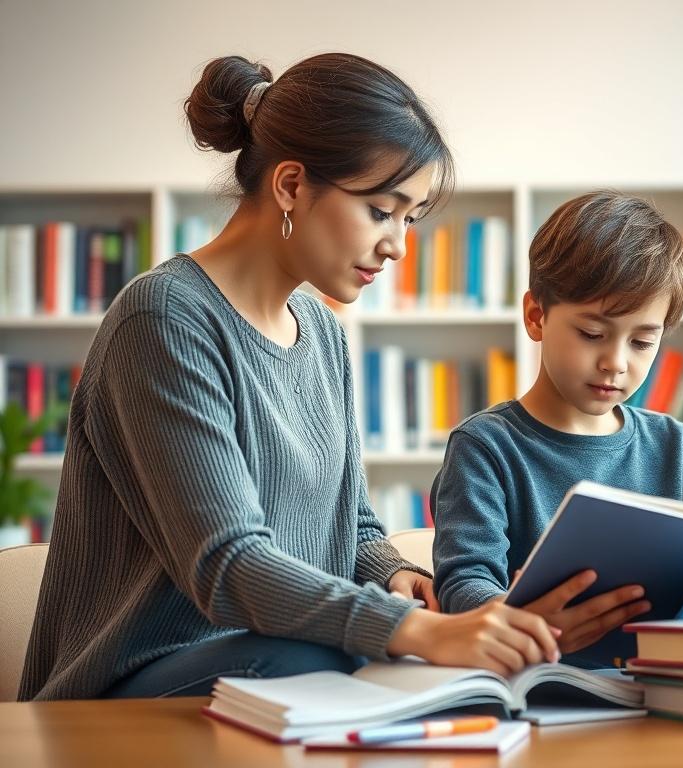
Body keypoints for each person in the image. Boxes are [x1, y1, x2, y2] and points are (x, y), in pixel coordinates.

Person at [19, 53, 559, 701]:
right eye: (382, 211)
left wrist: (396, 578)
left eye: (411, 219)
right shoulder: (162, 319)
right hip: (132, 683)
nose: (398, 246)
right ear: (291, 186)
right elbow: (229, 566)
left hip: (276, 657)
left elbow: (350, 524)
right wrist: (413, 631)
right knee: (322, 659)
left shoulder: (321, 329)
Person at [431, 190, 683, 666]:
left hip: (664, 691)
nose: (616, 362)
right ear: (536, 316)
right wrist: (527, 627)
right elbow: (463, 583)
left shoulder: (675, 447)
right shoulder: (485, 448)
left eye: (641, 342)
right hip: (540, 694)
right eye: (592, 334)